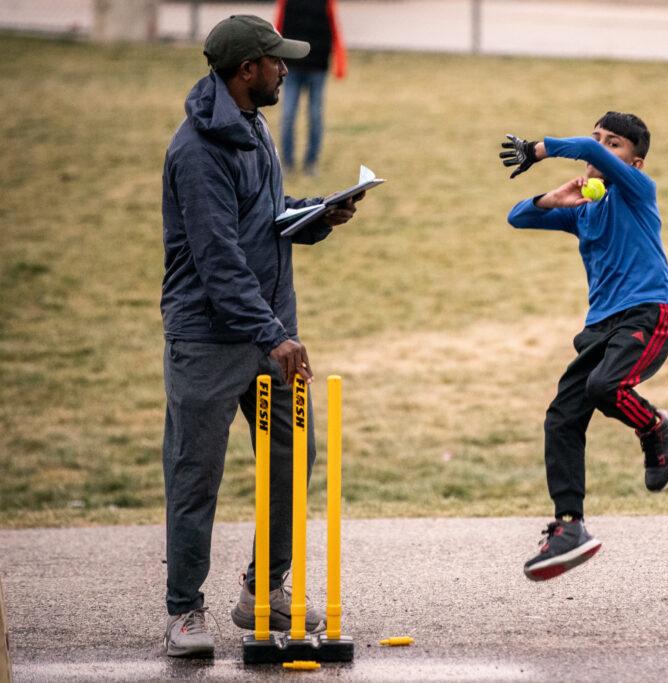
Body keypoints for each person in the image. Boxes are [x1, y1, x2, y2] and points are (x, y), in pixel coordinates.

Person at [160, 14, 362, 657]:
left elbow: (263, 221)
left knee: (291, 458)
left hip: (267, 331)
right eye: (275, 61)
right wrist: (273, 334)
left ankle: (261, 591)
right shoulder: (196, 151)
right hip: (210, 338)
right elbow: (219, 258)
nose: (285, 68)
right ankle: (185, 613)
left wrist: (318, 213)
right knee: (196, 475)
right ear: (246, 71)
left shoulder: (253, 124)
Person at [499, 113, 668, 581]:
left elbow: (585, 147)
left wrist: (540, 149)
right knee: (561, 416)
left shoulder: (639, 192)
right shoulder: (586, 210)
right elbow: (517, 217)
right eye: (600, 139)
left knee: (606, 386)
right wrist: (552, 198)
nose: (601, 149)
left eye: (614, 144)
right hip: (600, 327)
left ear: (634, 162)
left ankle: (656, 426)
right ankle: (569, 526)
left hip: (647, 311)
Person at [275, 0, 347, 175]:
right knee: (288, 115)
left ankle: (311, 162)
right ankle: (287, 163)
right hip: (291, 67)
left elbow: (334, 27)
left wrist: (340, 61)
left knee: (315, 116)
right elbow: (277, 26)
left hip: (317, 67)